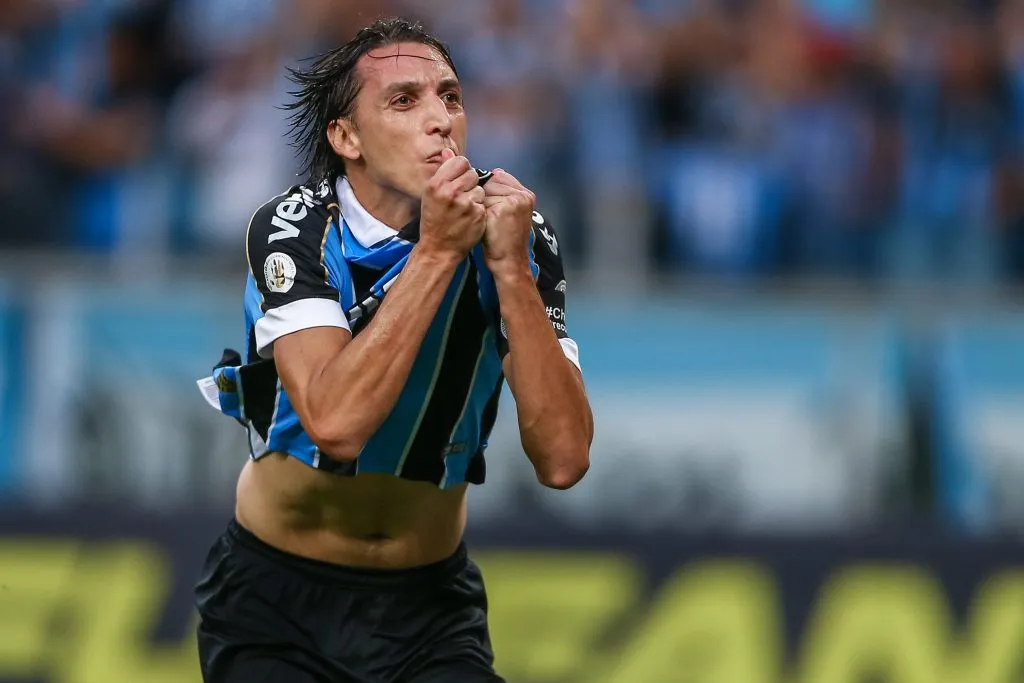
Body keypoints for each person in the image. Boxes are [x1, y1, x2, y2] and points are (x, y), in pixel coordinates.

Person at [193, 17, 594, 683]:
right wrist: (437, 252)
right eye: (404, 100)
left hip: (429, 609)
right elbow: (336, 424)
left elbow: (564, 459)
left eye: (451, 97)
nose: (440, 119)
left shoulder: (517, 228)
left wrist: (512, 273)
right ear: (346, 138)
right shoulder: (295, 229)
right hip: (276, 601)